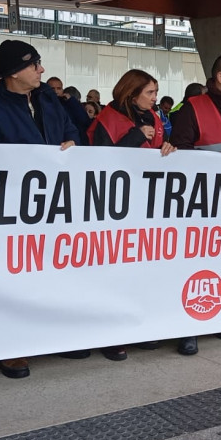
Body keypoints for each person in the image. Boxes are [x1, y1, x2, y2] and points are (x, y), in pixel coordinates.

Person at [0, 40, 80, 378]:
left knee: (56, 272)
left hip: (57, 204)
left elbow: (72, 132)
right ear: (13, 73)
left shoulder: (49, 100)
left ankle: (52, 336)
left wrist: (73, 144)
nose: (42, 70)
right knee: (15, 278)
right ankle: (11, 347)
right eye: (34, 65)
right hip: (14, 210)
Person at [89, 69, 176, 359]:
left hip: (145, 206)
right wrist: (134, 137)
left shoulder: (153, 118)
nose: (155, 98)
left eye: (155, 92)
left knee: (141, 269)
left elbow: (156, 153)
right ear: (131, 93)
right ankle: (111, 335)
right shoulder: (107, 119)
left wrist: (167, 147)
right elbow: (98, 160)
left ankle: (138, 326)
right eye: (150, 93)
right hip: (114, 208)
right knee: (114, 271)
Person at [169, 54, 221, 354]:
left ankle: (219, 317)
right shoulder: (193, 108)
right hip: (199, 202)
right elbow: (181, 150)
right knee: (192, 265)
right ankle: (187, 328)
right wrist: (216, 163)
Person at [48, 76, 91, 144]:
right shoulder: (42, 104)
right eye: (52, 88)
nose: (55, 91)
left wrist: (72, 100)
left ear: (62, 90)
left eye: (59, 88)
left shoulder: (69, 103)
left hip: (72, 142)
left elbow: (84, 120)